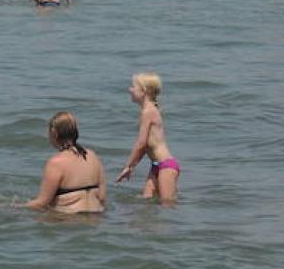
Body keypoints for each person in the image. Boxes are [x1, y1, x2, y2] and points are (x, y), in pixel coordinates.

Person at [113, 72, 181, 202]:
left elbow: (141, 144)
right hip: (156, 165)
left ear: (143, 91)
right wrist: (132, 167)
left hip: (166, 166)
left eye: (133, 87)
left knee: (168, 205)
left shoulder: (148, 112)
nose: (129, 89)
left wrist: (127, 166)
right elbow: (145, 147)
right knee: (146, 202)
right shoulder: (148, 111)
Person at [25, 111, 107, 213]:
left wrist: (14, 207)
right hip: (96, 217)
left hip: (69, 219)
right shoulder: (93, 156)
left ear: (54, 134)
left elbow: (42, 202)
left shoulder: (56, 163)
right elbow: (102, 197)